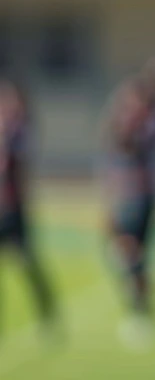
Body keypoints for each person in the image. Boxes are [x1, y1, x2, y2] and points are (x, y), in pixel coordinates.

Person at [100, 63, 155, 346]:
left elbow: (129, 143)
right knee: (127, 248)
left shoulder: (153, 120)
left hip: (141, 192)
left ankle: (142, 306)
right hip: (128, 190)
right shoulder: (148, 118)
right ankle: (142, 301)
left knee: (130, 248)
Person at [0, 80, 57, 334]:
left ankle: (47, 314)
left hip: (13, 208)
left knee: (26, 262)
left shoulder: (21, 131)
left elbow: (18, 168)